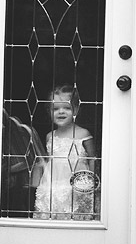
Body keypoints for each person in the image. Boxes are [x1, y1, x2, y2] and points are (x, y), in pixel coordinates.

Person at [33, 85, 99, 220]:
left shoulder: (83, 134)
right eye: (55, 109)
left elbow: (93, 159)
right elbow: (49, 161)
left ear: (76, 109)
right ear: (49, 111)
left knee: (74, 215)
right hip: (54, 185)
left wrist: (92, 182)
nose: (61, 112)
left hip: (76, 186)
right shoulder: (50, 136)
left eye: (67, 108)